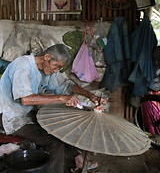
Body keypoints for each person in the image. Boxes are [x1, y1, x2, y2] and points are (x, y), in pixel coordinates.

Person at [0, 43, 106, 173]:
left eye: (59, 68)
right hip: (10, 116)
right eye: (55, 66)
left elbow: (65, 85)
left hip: (26, 113)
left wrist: (91, 96)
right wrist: (60, 98)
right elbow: (26, 99)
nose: (56, 70)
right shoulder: (22, 65)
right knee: (54, 143)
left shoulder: (47, 70)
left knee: (60, 126)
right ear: (47, 57)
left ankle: (79, 159)